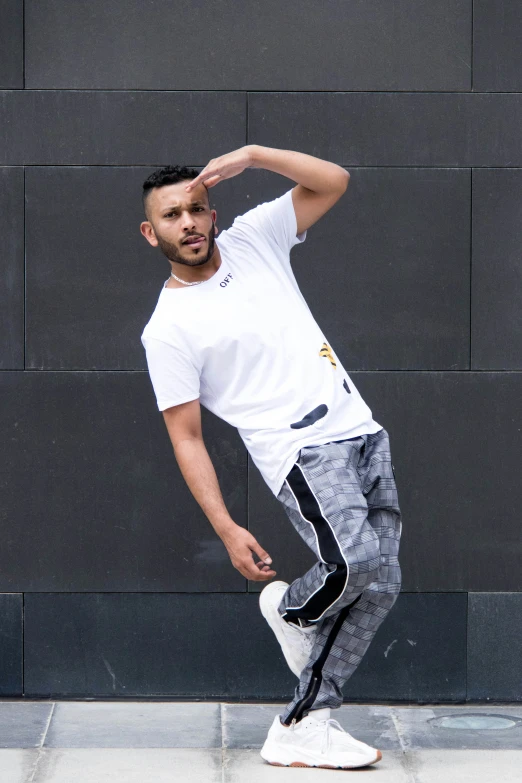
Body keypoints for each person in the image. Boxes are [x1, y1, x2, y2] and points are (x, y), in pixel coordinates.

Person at [139, 145, 402, 770]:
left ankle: (305, 723)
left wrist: (256, 156)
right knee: (354, 562)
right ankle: (289, 610)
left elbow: (334, 180)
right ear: (152, 233)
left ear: (213, 211)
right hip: (300, 449)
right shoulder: (167, 327)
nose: (190, 223)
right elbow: (187, 437)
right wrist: (227, 528)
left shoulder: (255, 237)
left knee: (381, 583)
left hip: (362, 429)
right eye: (173, 215)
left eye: (197, 208)